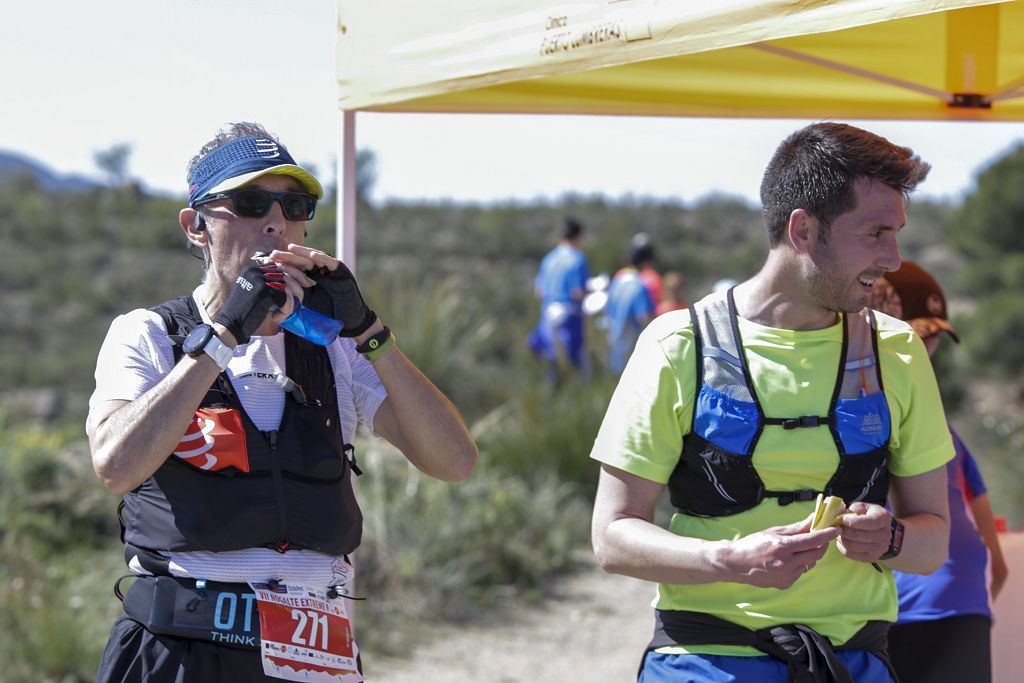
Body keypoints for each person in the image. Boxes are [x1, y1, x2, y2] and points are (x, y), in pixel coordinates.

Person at [86, 122, 477, 683]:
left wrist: (369, 330)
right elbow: (115, 465)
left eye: (294, 205)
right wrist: (222, 336)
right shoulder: (149, 335)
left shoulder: (336, 349)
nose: (276, 222)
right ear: (195, 226)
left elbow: (454, 461)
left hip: (314, 655)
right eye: (249, 202)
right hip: (183, 651)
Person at [590, 122, 954, 683]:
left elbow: (932, 543)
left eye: (897, 233)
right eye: (876, 232)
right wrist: (727, 561)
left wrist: (892, 537)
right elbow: (613, 536)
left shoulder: (897, 350)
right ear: (804, 229)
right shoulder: (677, 344)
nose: (894, 258)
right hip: (704, 659)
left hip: (853, 661)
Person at [868, 261, 1009, 683]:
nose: (928, 351)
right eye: (919, 336)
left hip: (902, 615)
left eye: (934, 338)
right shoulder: (943, 433)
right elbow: (995, 565)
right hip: (960, 611)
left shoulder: (862, 419)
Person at [527, 217, 590, 379]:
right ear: (578, 237)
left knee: (551, 362)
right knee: (575, 364)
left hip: (548, 314)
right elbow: (578, 292)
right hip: (569, 316)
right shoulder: (578, 258)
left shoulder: (549, 259)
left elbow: (539, 292)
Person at [604, 241, 657, 373]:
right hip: (631, 345)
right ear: (646, 262)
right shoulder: (641, 285)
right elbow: (643, 317)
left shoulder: (616, 282)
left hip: (613, 340)